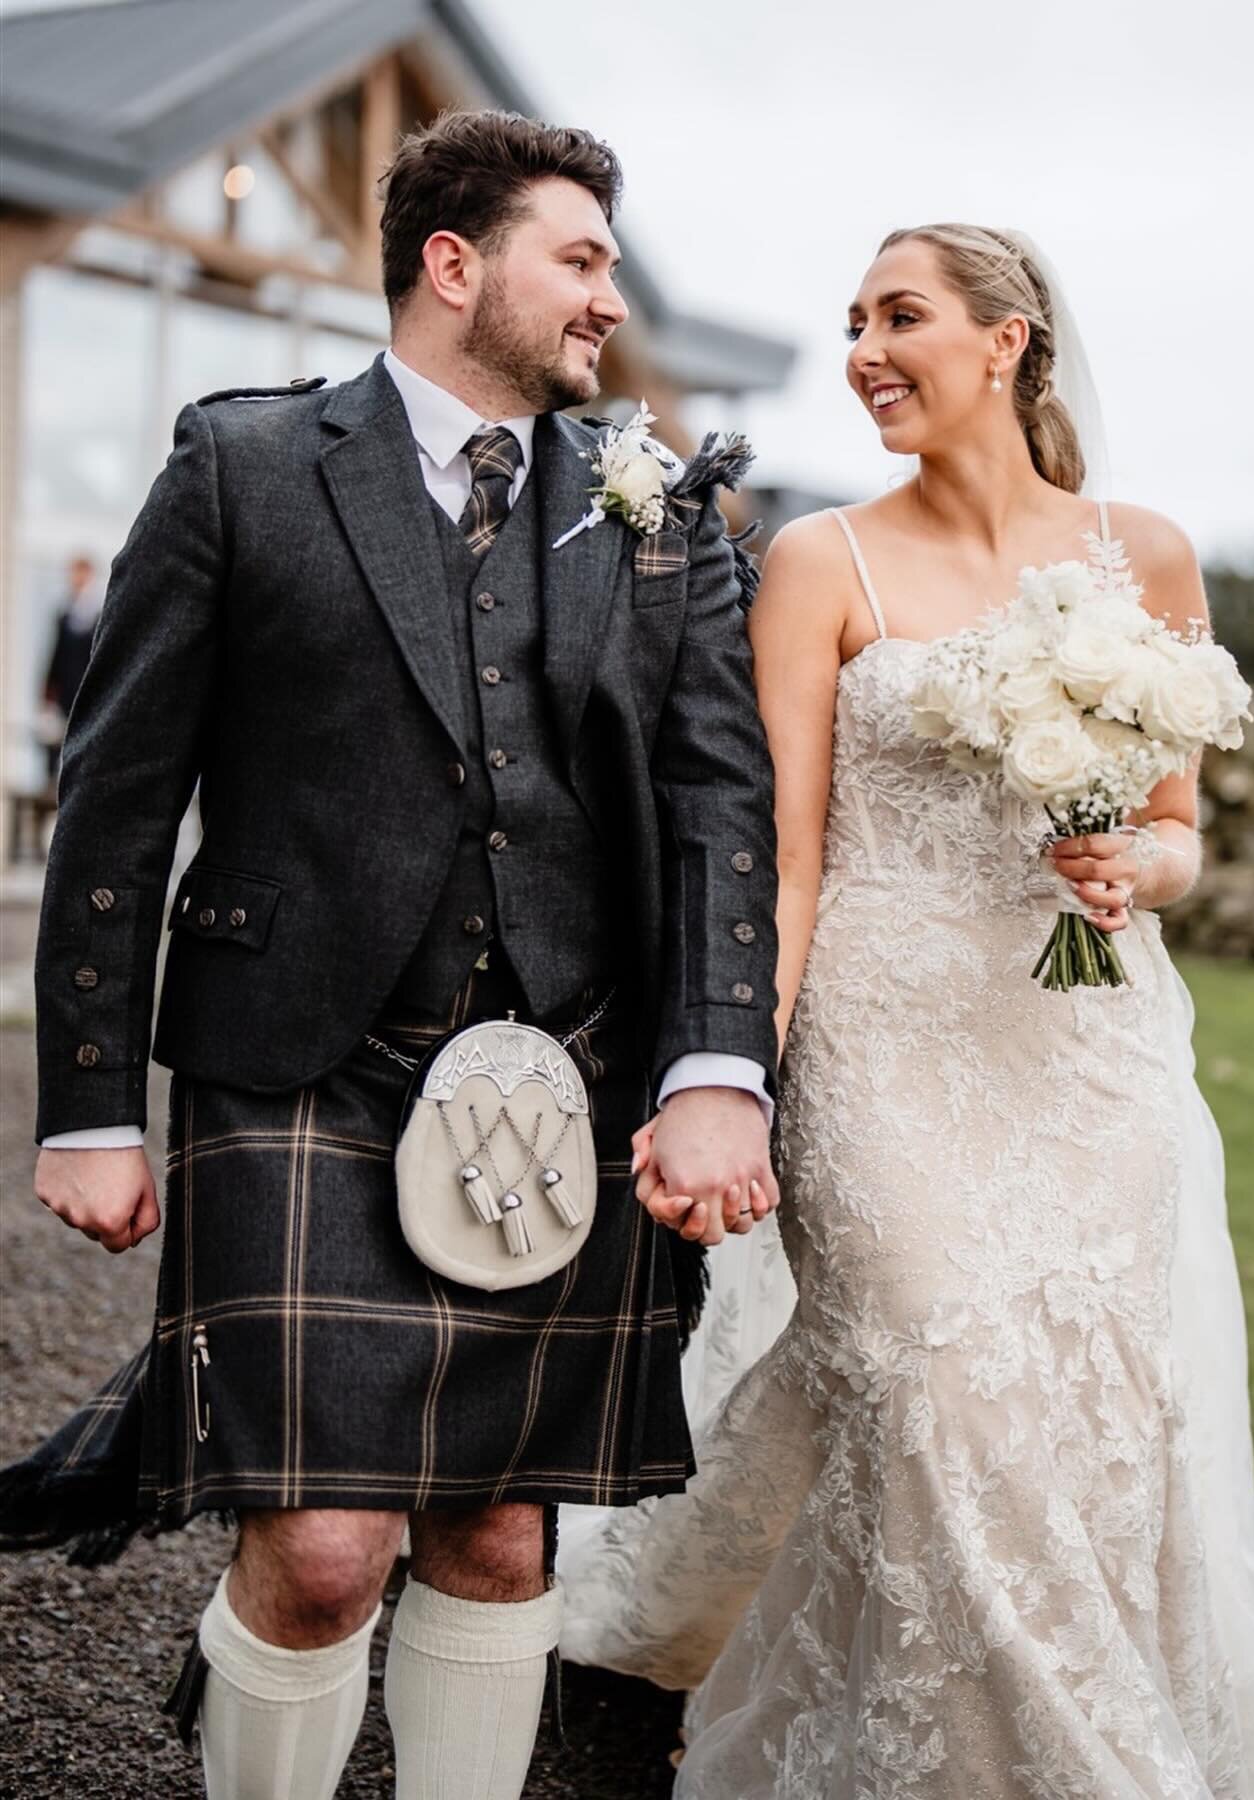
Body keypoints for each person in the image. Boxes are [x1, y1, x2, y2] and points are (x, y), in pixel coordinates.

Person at [12, 108, 780, 1800]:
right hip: (299, 1062)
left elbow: (723, 800)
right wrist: (87, 1101)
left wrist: (719, 1067)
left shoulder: (661, 511)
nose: (607, 297)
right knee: (325, 1552)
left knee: (502, 1537)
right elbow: (119, 797)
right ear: (455, 265)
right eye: (578, 258)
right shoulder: (246, 466)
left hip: (563, 1071)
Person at [562, 224, 1254, 1796]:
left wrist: (1139, 856)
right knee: (933, 1376)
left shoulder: (1147, 554)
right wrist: (733, 1071)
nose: (863, 349)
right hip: (881, 1043)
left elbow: (1185, 834)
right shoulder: (819, 561)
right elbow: (780, 854)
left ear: (1007, 343)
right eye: (853, 320)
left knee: (1081, 1410)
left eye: (899, 315)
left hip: (1088, 1052)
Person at [38, 552, 103, 780]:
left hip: (85, 695)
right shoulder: (63, 615)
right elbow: (54, 658)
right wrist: (46, 697)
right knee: (52, 749)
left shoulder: (98, 616)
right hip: (63, 696)